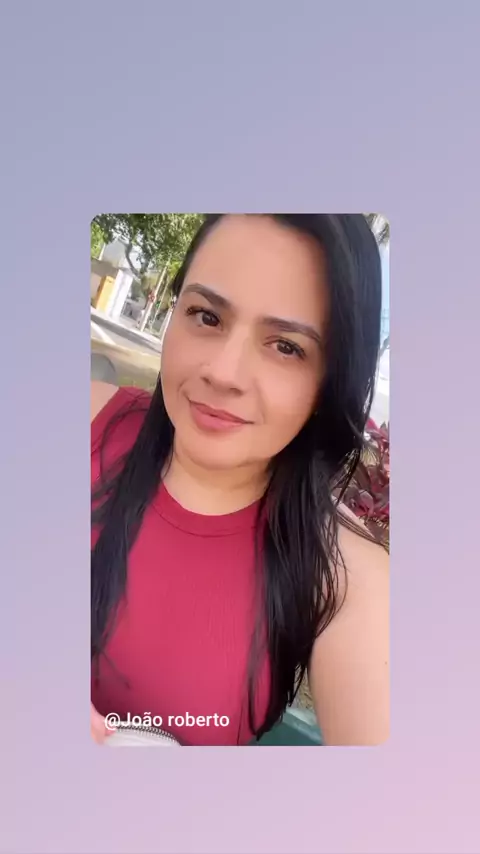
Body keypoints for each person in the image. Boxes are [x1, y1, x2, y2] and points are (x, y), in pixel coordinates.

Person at [91, 214, 389, 746]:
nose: (223, 372)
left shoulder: (348, 580)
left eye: (286, 346)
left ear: (331, 381)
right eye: (206, 316)